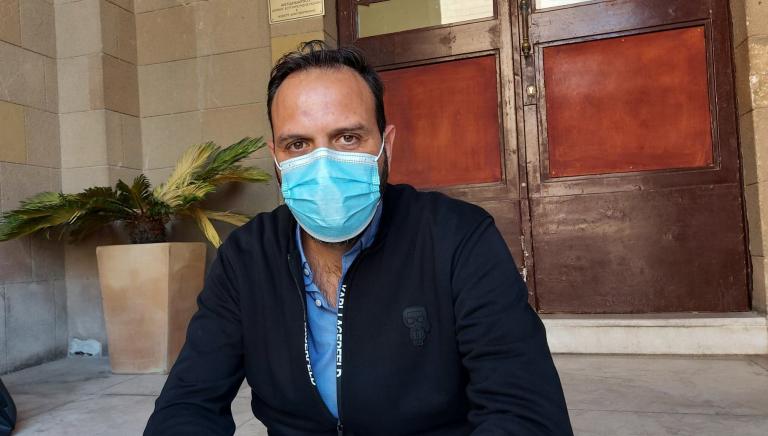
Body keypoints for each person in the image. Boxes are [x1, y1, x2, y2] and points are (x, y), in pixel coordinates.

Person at [144, 40, 573, 436]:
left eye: (348, 137)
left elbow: (525, 412)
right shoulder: (245, 258)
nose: (323, 164)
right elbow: (188, 404)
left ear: (387, 146)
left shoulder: (457, 239)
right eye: (298, 145)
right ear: (276, 159)